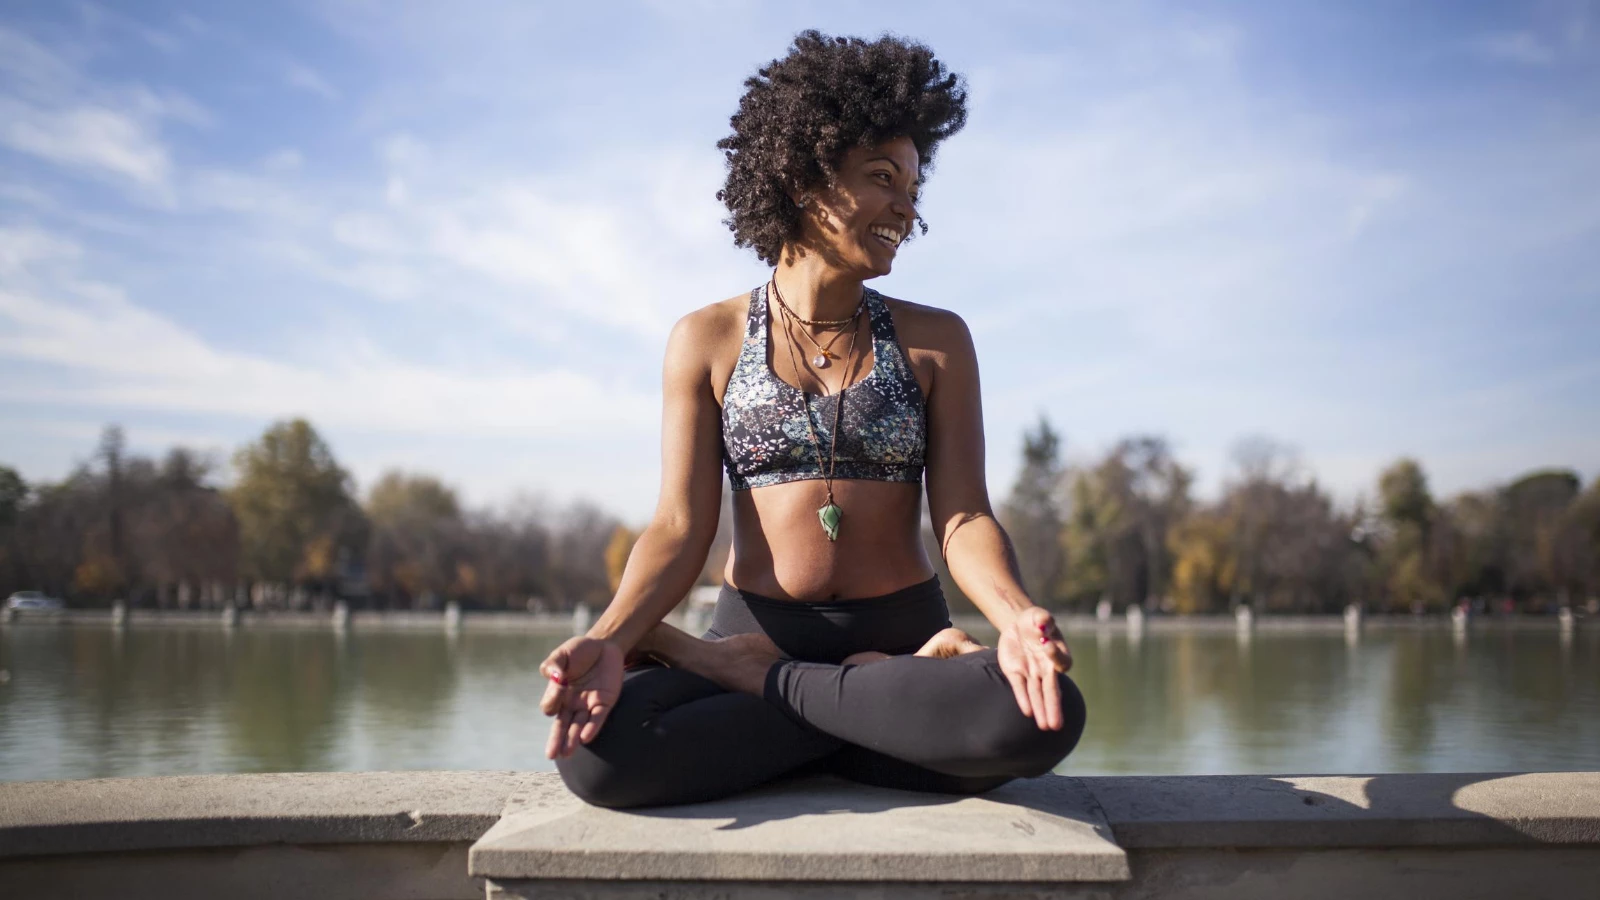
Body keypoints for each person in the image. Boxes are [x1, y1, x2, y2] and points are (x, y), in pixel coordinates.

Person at [538, 30, 1084, 809]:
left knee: (1041, 720)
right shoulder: (709, 338)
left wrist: (1017, 616)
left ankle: (773, 690)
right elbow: (678, 527)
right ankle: (861, 711)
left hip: (899, 640)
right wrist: (616, 636)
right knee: (602, 758)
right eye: (883, 178)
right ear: (804, 177)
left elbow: (962, 516)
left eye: (913, 186)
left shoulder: (936, 340)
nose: (907, 206)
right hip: (764, 629)